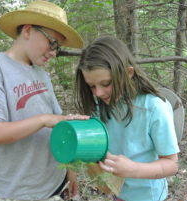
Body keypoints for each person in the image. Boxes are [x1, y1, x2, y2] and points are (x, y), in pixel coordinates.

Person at [0, 0, 89, 200]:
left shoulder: (41, 74)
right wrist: (42, 120)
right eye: (52, 42)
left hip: (56, 182)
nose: (53, 52)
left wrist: (70, 168)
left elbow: (57, 123)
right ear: (28, 30)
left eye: (57, 47)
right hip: (21, 192)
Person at [74, 36, 180, 201]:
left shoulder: (153, 107)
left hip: (149, 196)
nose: (98, 93)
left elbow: (172, 164)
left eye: (106, 83)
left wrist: (132, 169)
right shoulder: (99, 106)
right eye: (92, 86)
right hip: (119, 193)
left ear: (128, 73)